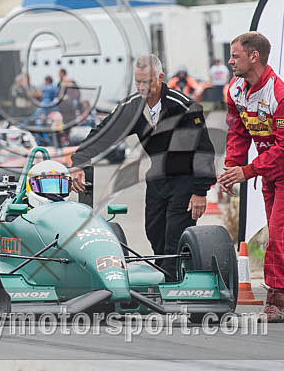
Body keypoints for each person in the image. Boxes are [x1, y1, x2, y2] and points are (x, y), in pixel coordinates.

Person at [71, 54, 216, 280]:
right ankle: (168, 276)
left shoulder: (183, 106)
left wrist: (200, 191)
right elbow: (103, 133)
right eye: (138, 82)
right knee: (154, 232)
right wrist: (80, 161)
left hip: (185, 180)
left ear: (160, 77)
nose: (142, 87)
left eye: (147, 82)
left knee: (173, 237)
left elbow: (204, 149)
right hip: (157, 179)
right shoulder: (133, 107)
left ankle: (173, 286)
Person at [218, 31, 284, 323]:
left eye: (235, 56)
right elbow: (238, 132)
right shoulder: (236, 90)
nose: (230, 62)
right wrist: (232, 167)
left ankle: (274, 302)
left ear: (254, 57)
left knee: (278, 233)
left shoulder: (283, 97)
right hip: (271, 162)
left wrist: (247, 170)